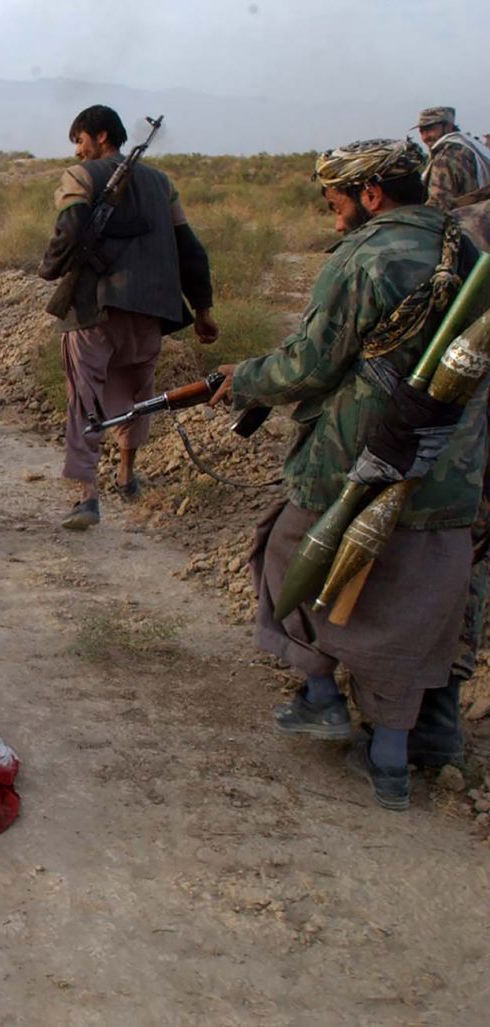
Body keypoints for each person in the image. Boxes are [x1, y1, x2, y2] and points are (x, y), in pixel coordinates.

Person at [209, 138, 484, 812]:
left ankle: (321, 694)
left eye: (336, 202)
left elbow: (307, 365)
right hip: (448, 472)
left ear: (370, 195)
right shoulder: (468, 253)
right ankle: (392, 758)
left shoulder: (368, 257)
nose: (332, 218)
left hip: (355, 465)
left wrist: (239, 379)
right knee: (416, 605)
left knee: (285, 554)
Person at [37, 104, 217, 530]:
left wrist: (50, 268)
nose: (79, 152)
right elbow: (190, 248)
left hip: (94, 308)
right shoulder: (162, 183)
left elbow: (70, 228)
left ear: (100, 137)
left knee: (86, 398)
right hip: (152, 308)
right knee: (137, 392)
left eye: (80, 140)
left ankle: (86, 496)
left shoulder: (79, 177)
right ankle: (125, 474)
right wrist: (204, 309)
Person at [416, 106, 490, 250]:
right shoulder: (470, 147)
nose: (425, 137)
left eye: (430, 129)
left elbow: (438, 208)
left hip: (467, 238)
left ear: (448, 126)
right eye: (422, 131)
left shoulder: (445, 157)